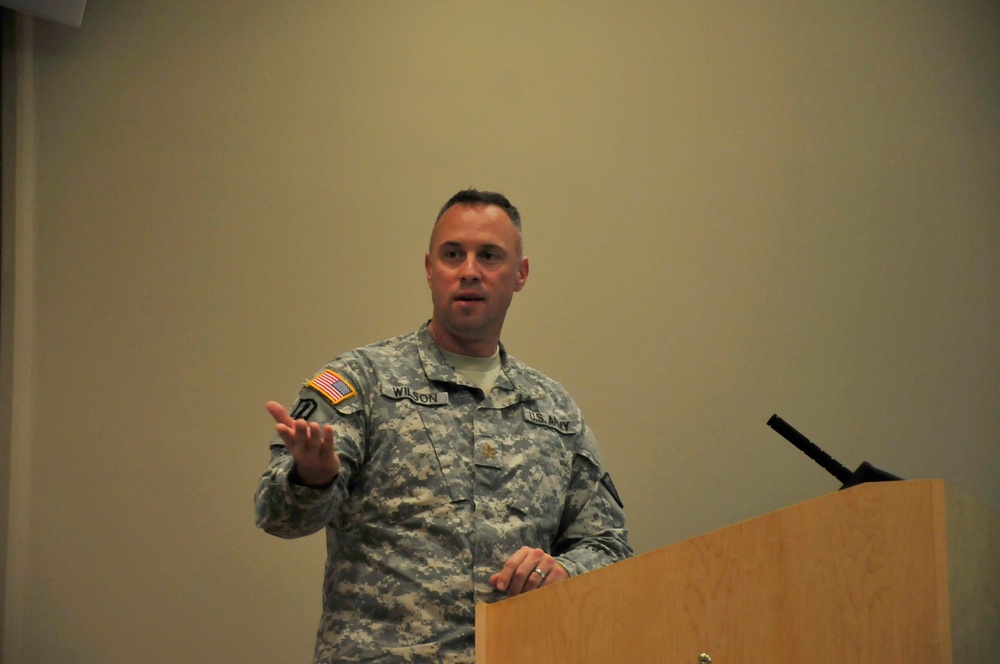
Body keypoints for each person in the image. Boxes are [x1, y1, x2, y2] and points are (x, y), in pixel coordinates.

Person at [255, 189, 632, 663]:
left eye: (489, 256)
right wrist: (312, 476)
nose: (469, 270)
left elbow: (609, 546)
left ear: (520, 274)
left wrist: (563, 571)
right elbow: (277, 517)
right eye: (453, 254)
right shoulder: (363, 381)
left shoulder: (554, 409)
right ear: (430, 268)